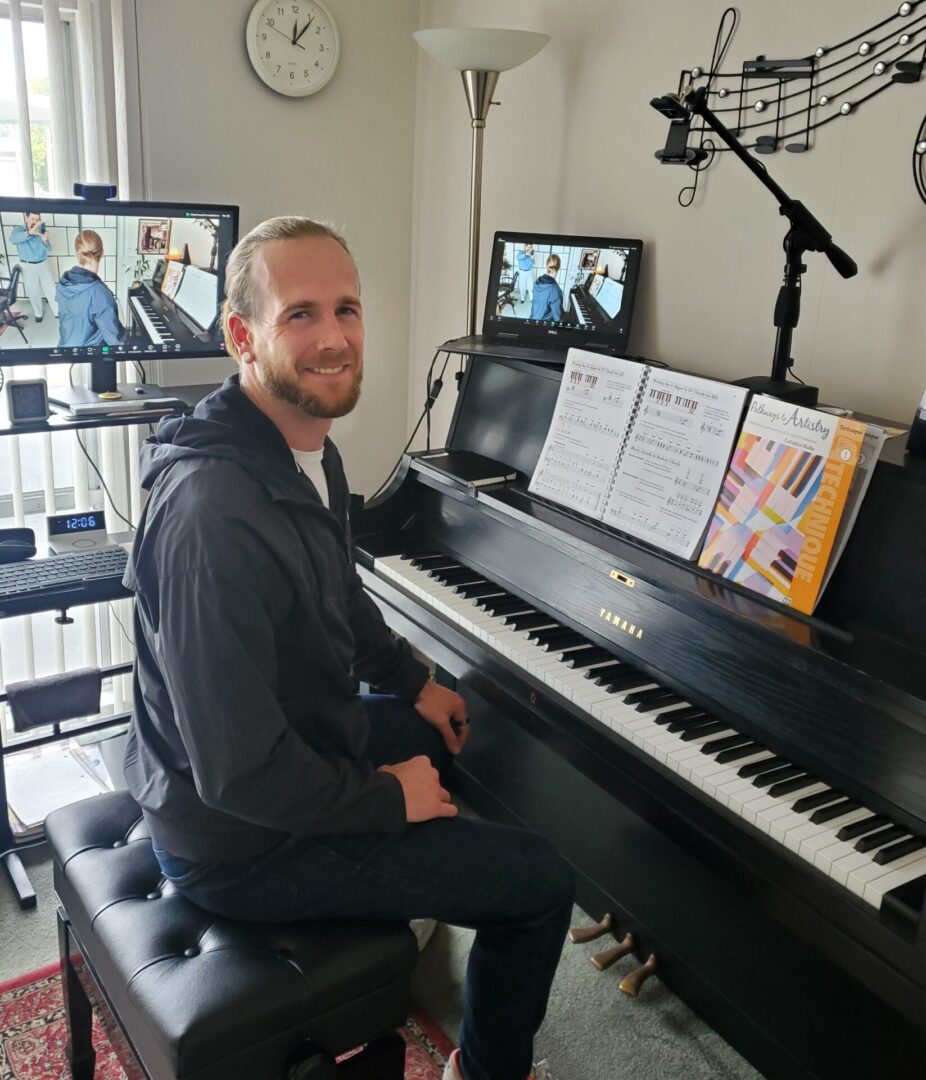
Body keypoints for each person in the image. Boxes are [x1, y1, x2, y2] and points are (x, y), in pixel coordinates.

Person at [122, 216, 574, 1080]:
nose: (334, 339)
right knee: (541, 882)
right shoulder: (211, 517)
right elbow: (240, 773)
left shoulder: (303, 449)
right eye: (301, 314)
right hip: (232, 840)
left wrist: (414, 680)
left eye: (348, 309)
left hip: (284, 749)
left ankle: (413, 902)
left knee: (445, 732)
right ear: (242, 337)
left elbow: (338, 593)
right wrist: (381, 802)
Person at [56, 230, 127, 348]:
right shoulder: (99, 293)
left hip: (64, 349)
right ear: (102, 252)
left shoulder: (63, 283)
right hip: (88, 357)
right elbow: (115, 341)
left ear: (76, 253)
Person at [9, 211, 58, 322]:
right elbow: (13, 240)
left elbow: (49, 249)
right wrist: (30, 232)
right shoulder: (19, 230)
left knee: (51, 288)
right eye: (33, 219)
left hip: (43, 263)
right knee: (33, 291)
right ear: (26, 218)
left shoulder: (41, 230)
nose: (35, 222)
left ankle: (57, 311)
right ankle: (38, 313)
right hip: (27, 265)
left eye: (37, 219)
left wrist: (45, 241)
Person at [530, 254, 564, 322]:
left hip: (532, 319)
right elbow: (557, 317)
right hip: (543, 325)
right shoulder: (555, 290)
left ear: (546, 266)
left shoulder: (537, 282)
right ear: (558, 268)